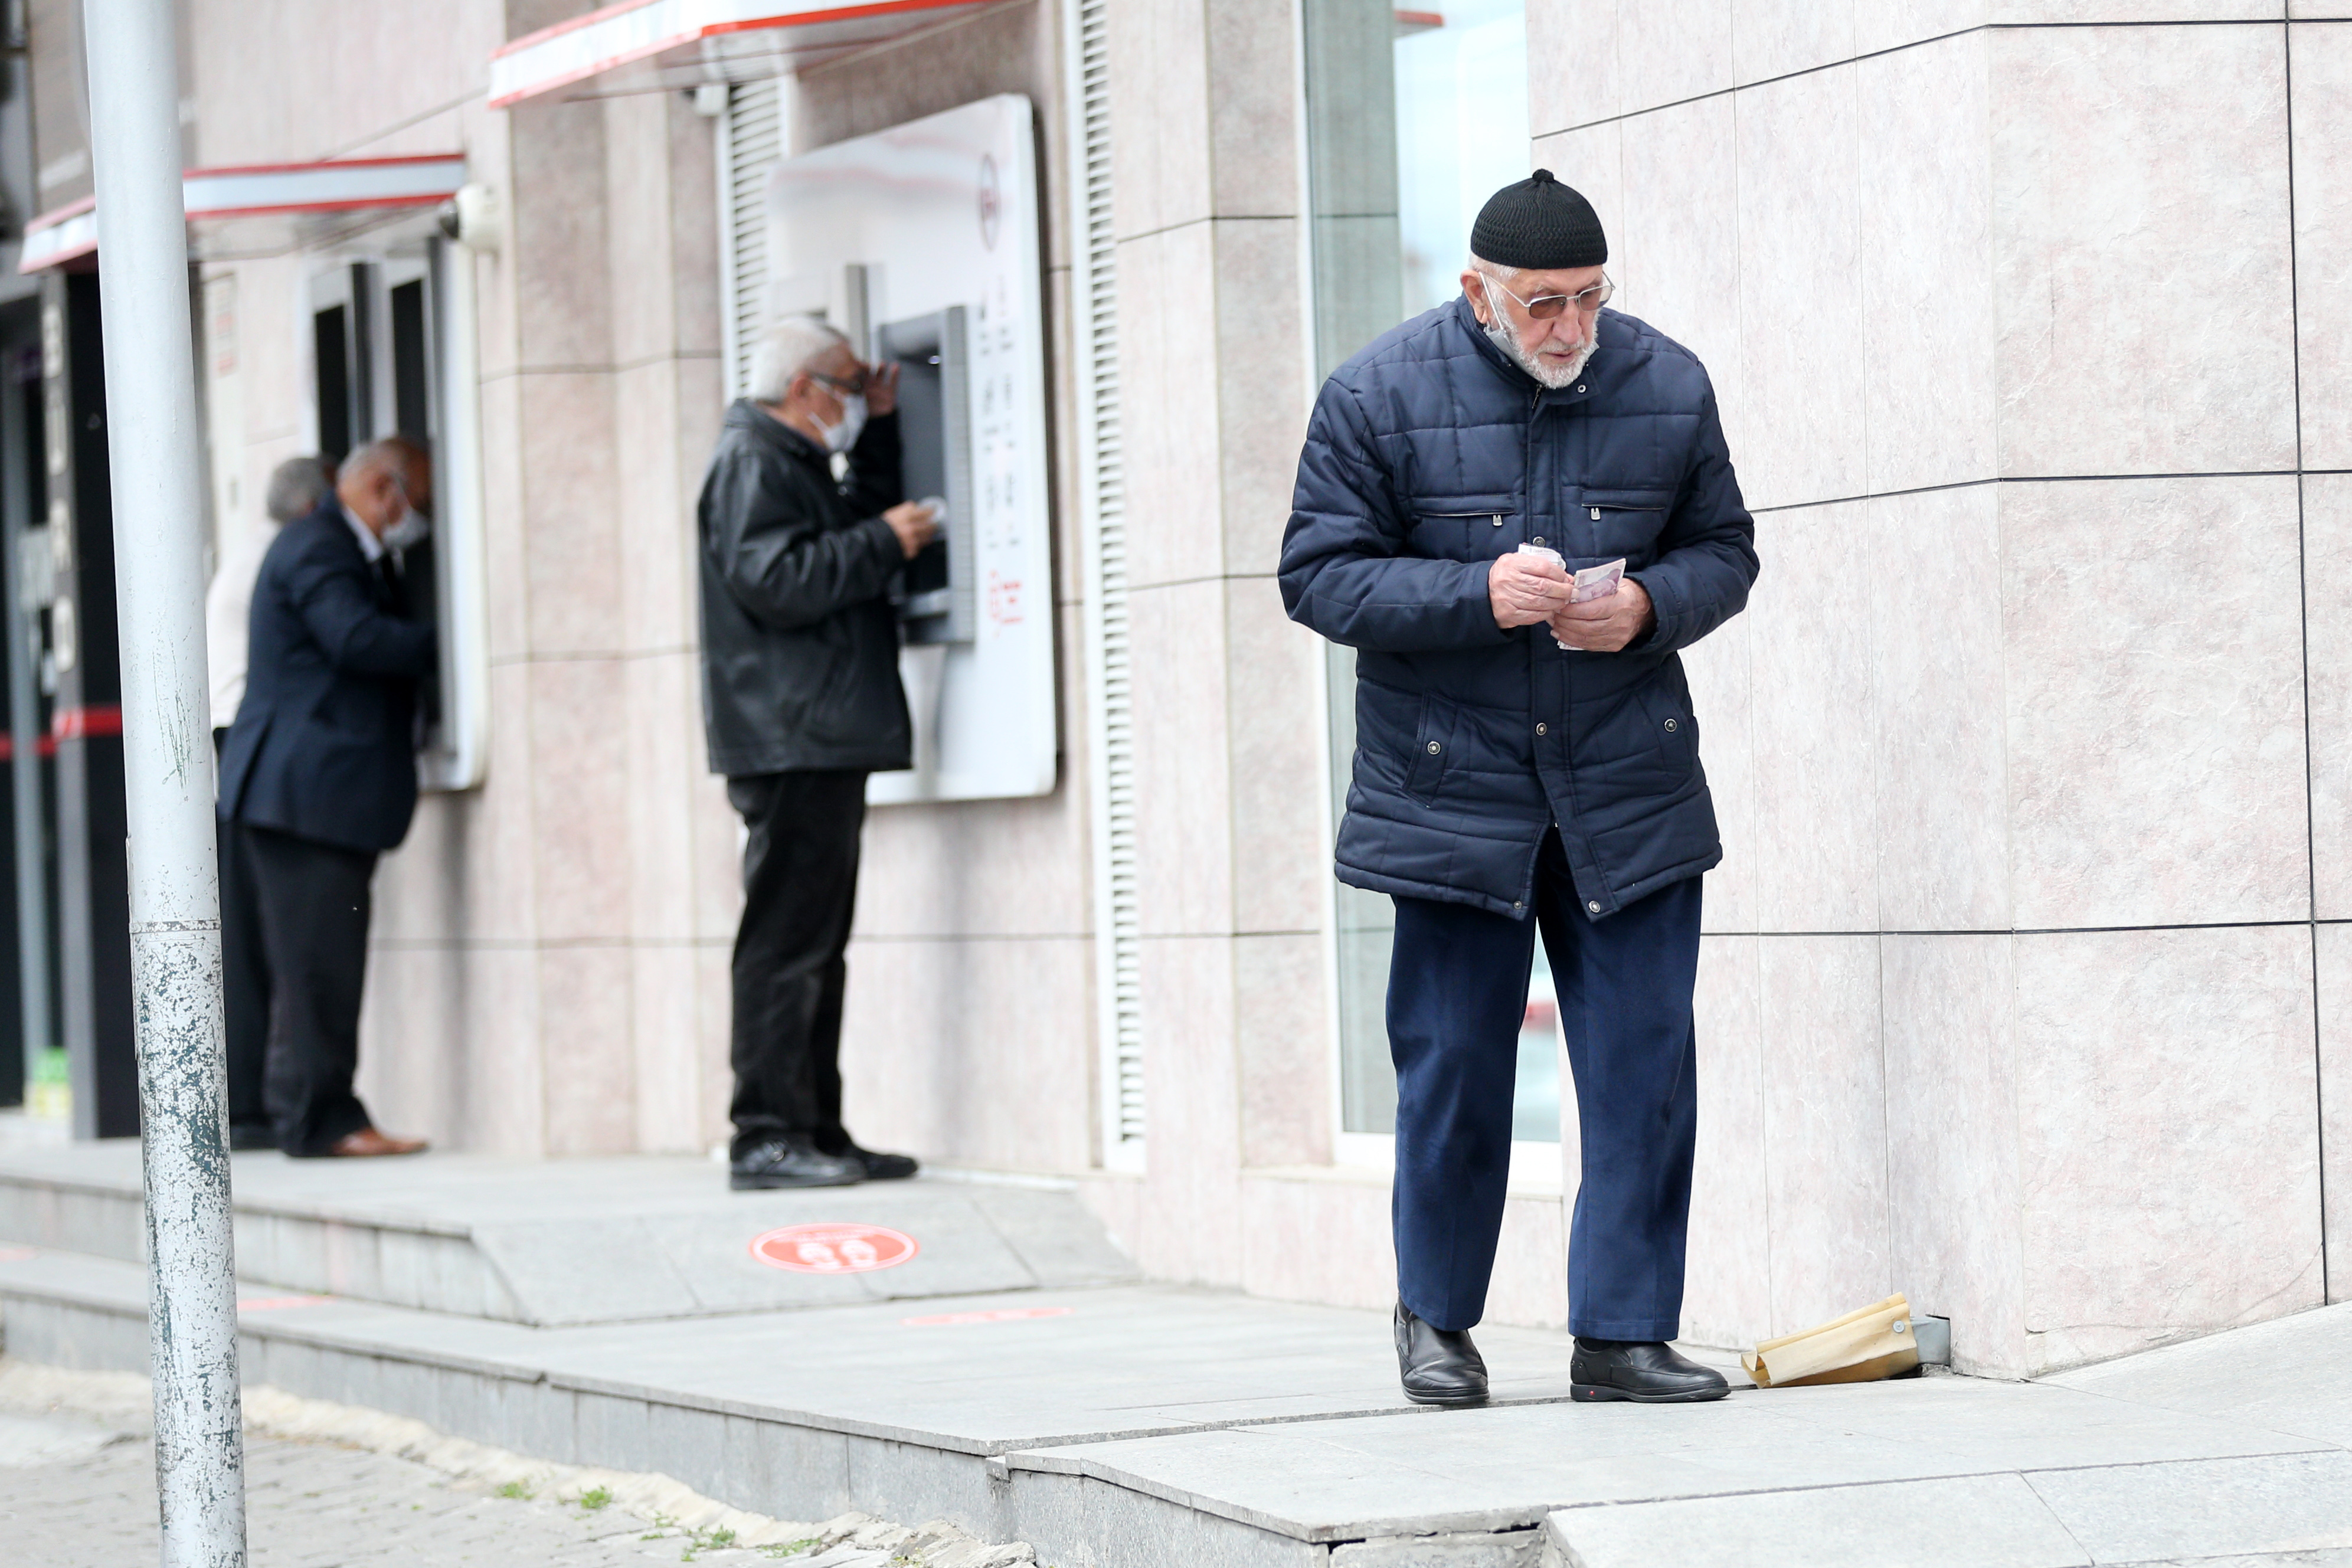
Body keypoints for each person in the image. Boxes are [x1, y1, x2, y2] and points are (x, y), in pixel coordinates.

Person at [1278, 171, 1759, 1406]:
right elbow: (1319, 576)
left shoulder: (1669, 381)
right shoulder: (1373, 395)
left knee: (1644, 1067)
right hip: (1450, 793)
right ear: (1476, 293)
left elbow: (1726, 550)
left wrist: (1653, 605)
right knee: (1453, 1068)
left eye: (1590, 299)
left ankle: (1624, 1330)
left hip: (1627, 785)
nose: (1569, 328)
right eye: (1542, 303)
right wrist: (1472, 596)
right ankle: (1436, 1317)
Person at [696, 317, 940, 1191]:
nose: (853, 397)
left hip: (812, 732)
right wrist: (888, 541)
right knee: (786, 945)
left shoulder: (785, 459)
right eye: (845, 385)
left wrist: (876, 428)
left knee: (814, 946)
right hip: (791, 735)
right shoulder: (754, 461)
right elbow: (778, 581)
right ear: (803, 388)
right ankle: (765, 1135)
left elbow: (836, 533)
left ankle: (814, 1130)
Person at [217, 436, 437, 1159]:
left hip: (312, 796)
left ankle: (313, 1112)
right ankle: (322, 1120)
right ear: (382, 488)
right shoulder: (320, 546)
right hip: (304, 796)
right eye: (416, 500)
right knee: (318, 966)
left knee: (314, 964)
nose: (416, 518)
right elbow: (354, 639)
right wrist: (443, 641)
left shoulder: (332, 545)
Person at [208, 454, 336, 1152]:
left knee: (251, 934)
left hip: (235, 744)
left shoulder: (252, 548)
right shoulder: (283, 555)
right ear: (315, 509)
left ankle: (251, 1103)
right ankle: (253, 1105)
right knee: (259, 936)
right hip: (246, 743)